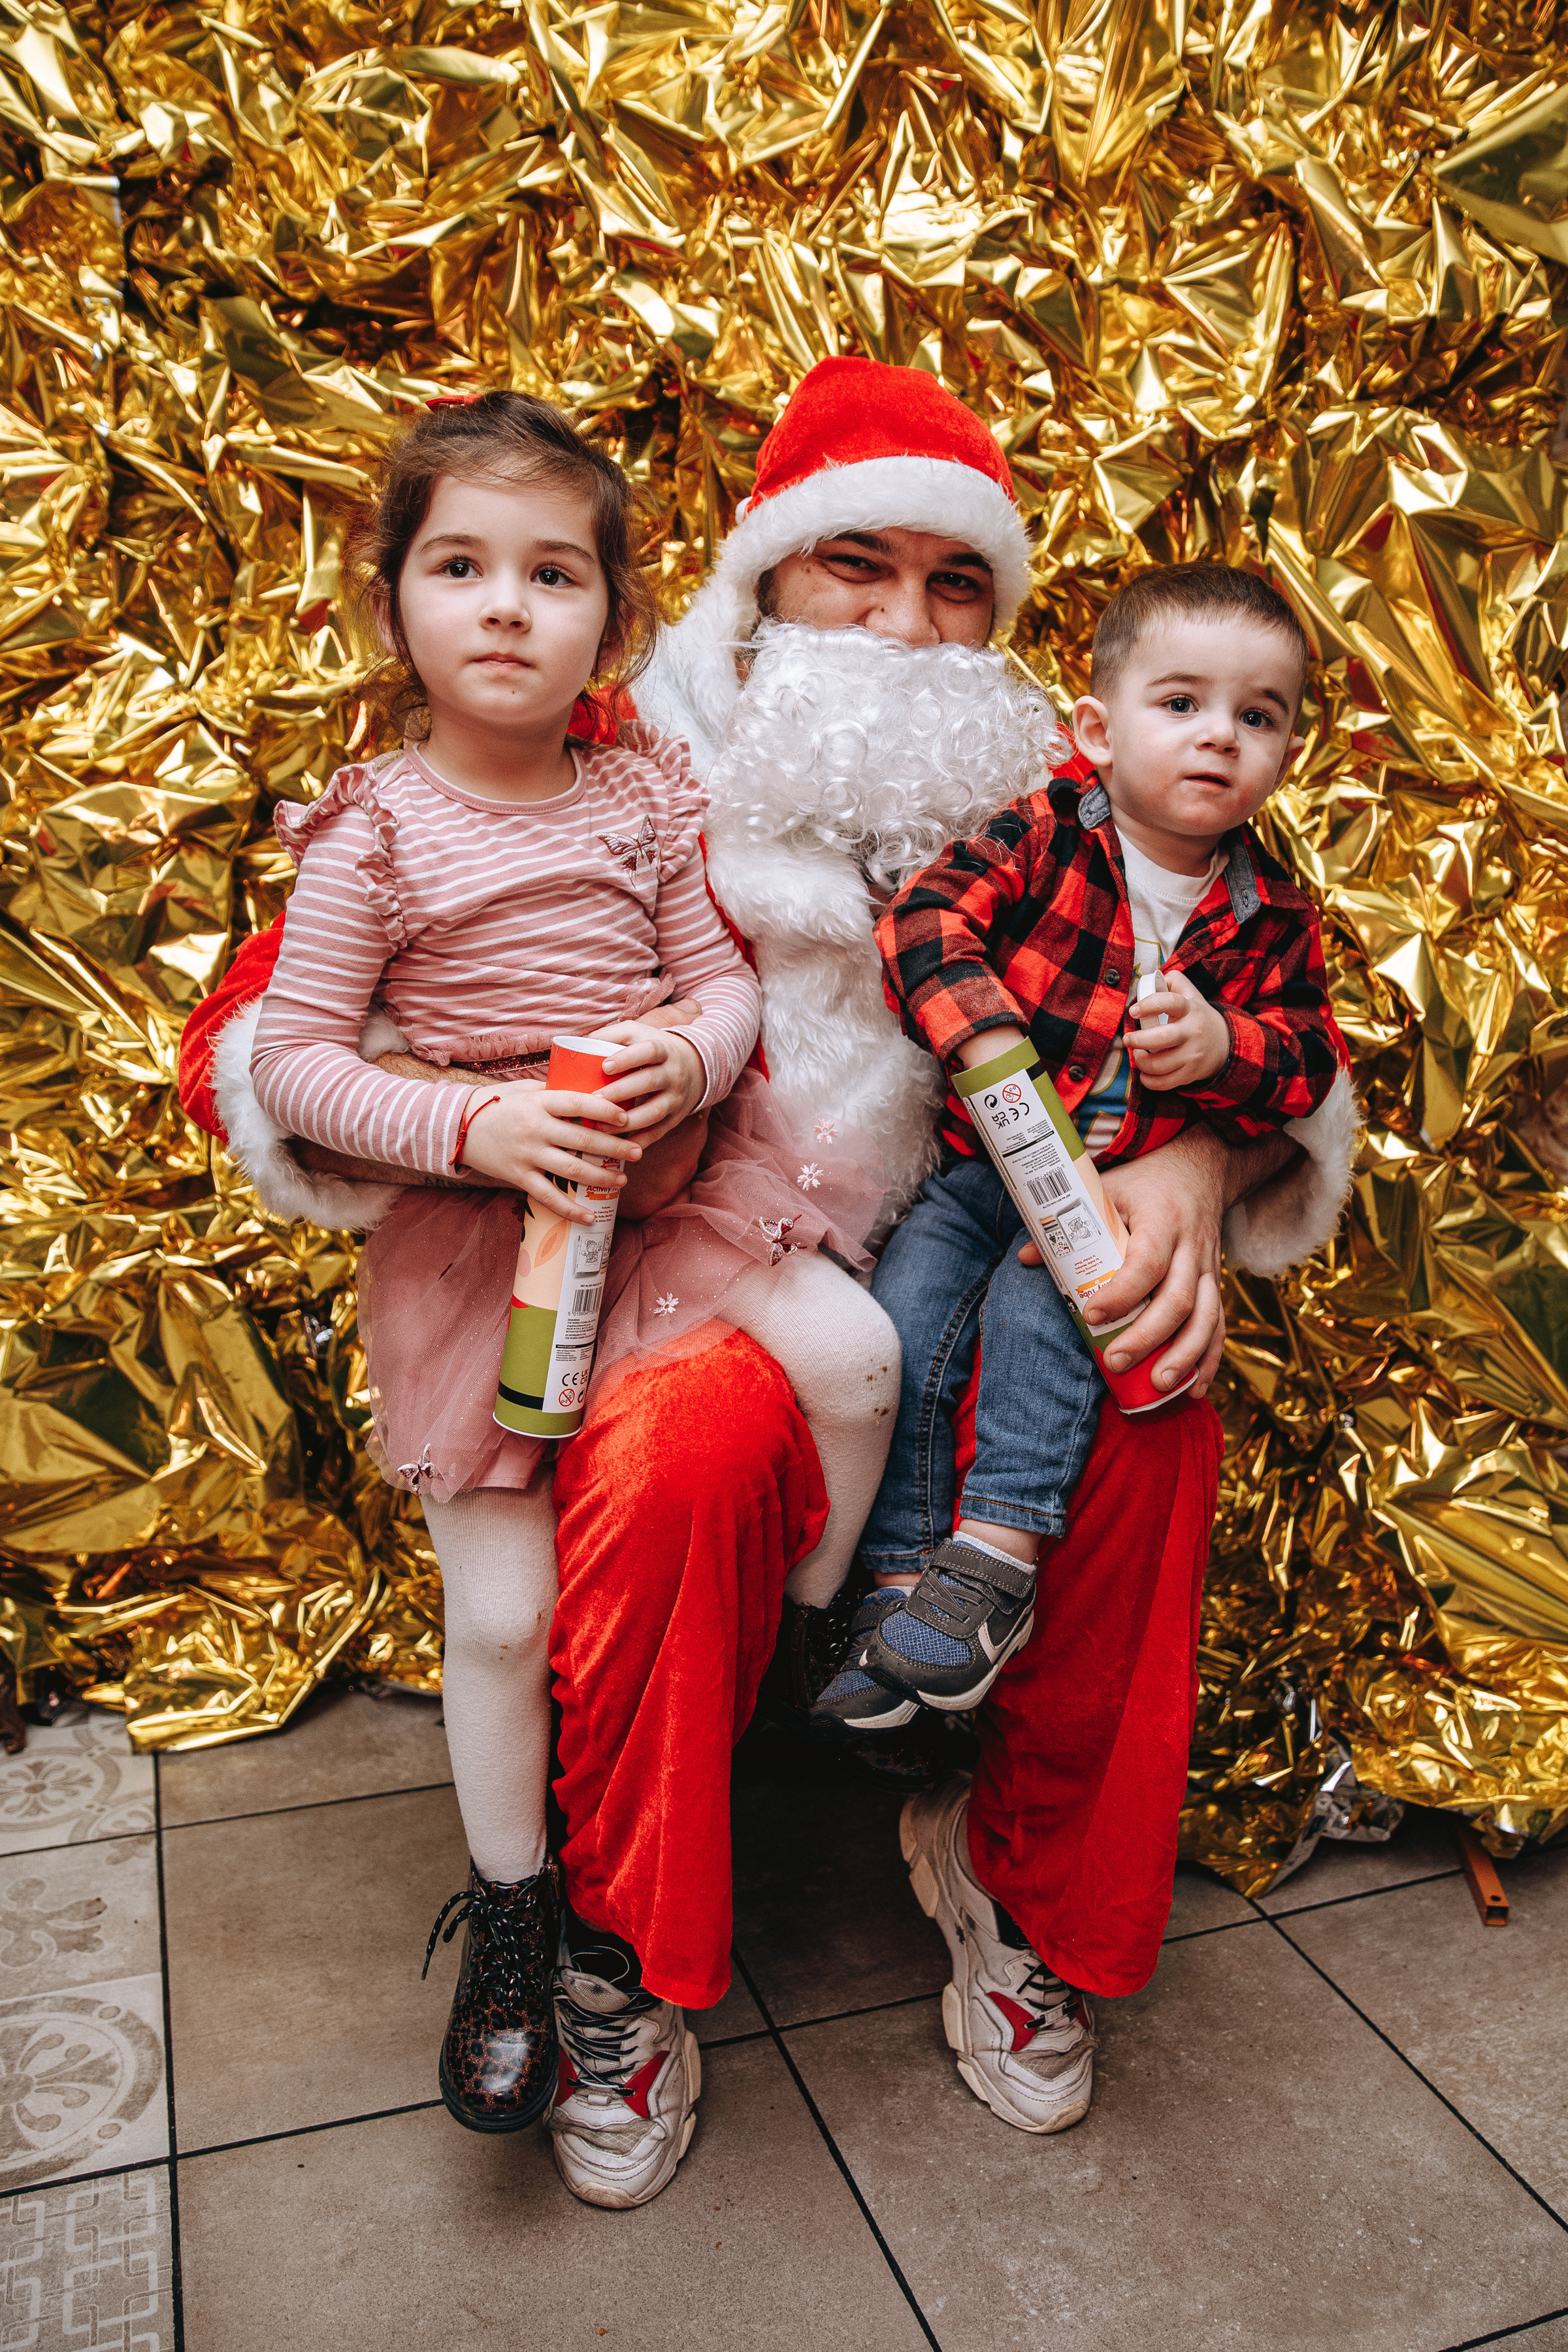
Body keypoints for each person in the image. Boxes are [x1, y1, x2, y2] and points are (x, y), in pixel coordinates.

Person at [177, 357, 1358, 2180]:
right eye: (853, 569)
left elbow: (1282, 1007)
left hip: (990, 1269)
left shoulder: (1066, 775)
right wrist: (482, 1124)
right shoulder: (618, 740)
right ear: (762, 582)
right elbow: (258, 1032)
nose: (901, 626)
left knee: (1156, 1404)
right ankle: (624, 1958)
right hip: (704, 1266)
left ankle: (1018, 1888)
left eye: (954, 585)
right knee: (679, 1449)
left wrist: (1206, 1160)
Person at [242, 389, 895, 2206]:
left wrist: (686, 1066)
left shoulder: (646, 793)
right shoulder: (371, 832)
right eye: (463, 567)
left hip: (668, 1208)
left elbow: (725, 989)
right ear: (398, 608)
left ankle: (811, 1652)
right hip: (486, 1252)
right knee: (512, 1621)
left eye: (554, 574)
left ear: (614, 618)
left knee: (853, 1360)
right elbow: (298, 1062)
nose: (509, 608)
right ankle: (519, 1924)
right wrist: (478, 1122)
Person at [811, 563, 1351, 1737]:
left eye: (1257, 717)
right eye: (1182, 704)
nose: (1218, 738)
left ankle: (994, 1560)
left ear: (1287, 754)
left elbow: (1312, 1062)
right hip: (980, 1168)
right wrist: (989, 1035)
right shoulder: (1045, 832)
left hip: (1103, 1194)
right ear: (1097, 730)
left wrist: (1225, 1049)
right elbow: (922, 921)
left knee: (1045, 1316)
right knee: (904, 1315)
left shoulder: (1270, 914)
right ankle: (902, 1592)